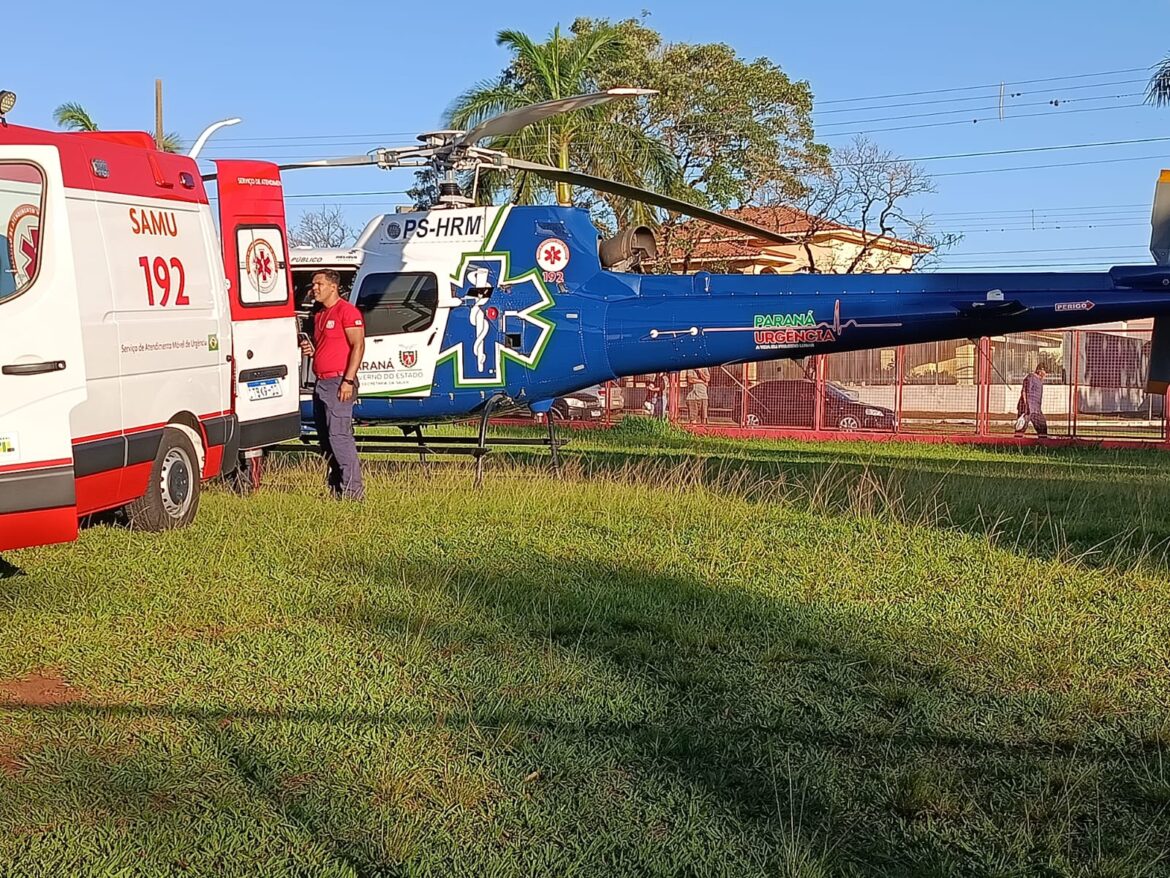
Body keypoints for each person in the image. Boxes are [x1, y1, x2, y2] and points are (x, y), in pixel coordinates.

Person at [300, 269, 366, 499]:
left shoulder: (347, 312)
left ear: (333, 286)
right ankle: (336, 487)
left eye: (319, 283)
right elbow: (327, 348)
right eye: (313, 283)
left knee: (340, 437)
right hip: (321, 382)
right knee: (326, 438)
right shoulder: (319, 315)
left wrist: (348, 380)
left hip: (339, 381)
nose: (314, 288)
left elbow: (358, 345)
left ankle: (353, 493)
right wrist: (313, 351)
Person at [1014, 364, 1048, 438]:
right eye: (1044, 371)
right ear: (1039, 371)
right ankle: (1016, 443)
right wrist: (1026, 406)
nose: (1046, 374)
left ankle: (1043, 444)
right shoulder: (1030, 378)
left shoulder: (1039, 380)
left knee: (1042, 427)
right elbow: (1024, 392)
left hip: (1036, 409)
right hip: (1027, 408)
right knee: (1021, 427)